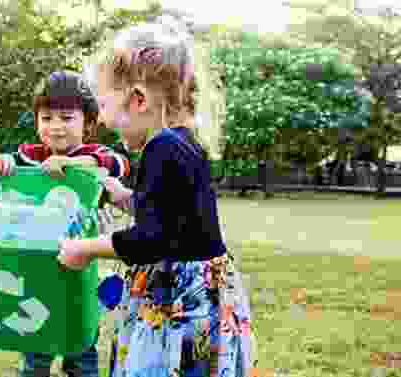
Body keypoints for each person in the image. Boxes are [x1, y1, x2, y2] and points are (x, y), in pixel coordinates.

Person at [57, 17, 258, 377]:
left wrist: (84, 249)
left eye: (103, 104)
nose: (101, 119)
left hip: (178, 303)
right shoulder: (183, 141)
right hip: (202, 293)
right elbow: (174, 219)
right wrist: (125, 198)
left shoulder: (161, 148)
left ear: (137, 99)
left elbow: (152, 240)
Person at [0, 70, 131, 377]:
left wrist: (72, 163)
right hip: (37, 264)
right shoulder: (32, 156)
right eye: (47, 118)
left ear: (88, 124)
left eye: (66, 118)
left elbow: (119, 163)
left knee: (81, 345)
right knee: (36, 338)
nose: (55, 127)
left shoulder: (93, 154)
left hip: (82, 267)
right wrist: (1, 162)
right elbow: (7, 162)